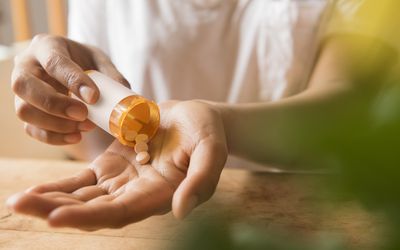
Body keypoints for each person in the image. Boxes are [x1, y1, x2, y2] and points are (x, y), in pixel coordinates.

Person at [6, 0, 397, 230]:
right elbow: (98, 150)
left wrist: (218, 125)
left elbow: (347, 110)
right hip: (160, 229)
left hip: (305, 220)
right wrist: (71, 104)